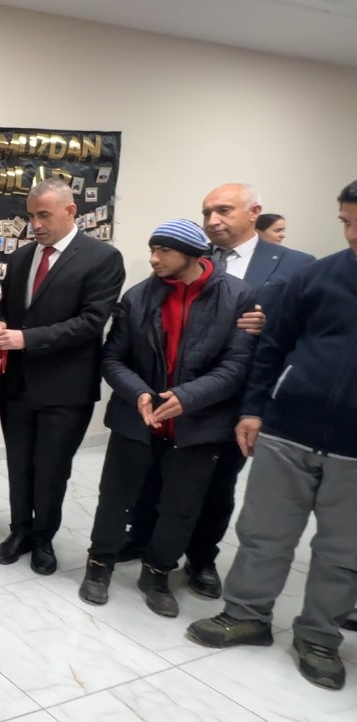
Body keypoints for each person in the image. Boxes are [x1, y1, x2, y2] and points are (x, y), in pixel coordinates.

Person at [187, 180, 357, 690]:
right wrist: (255, 409)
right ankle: (246, 614)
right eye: (345, 222)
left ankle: (320, 637)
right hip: (289, 430)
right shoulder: (320, 276)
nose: (349, 234)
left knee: (344, 550)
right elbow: (274, 344)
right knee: (264, 533)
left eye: (355, 222)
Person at [127, 184, 313, 599]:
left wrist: (274, 328)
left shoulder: (297, 266)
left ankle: (201, 557)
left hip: (243, 397)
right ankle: (148, 544)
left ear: (254, 212)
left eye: (224, 210)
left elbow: (315, 333)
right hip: (180, 394)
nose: (213, 220)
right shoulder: (191, 260)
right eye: (207, 211)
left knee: (218, 484)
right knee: (161, 478)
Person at [78, 220, 254, 617]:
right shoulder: (138, 298)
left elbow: (237, 364)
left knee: (181, 506)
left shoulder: (237, 297)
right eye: (152, 249)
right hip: (135, 420)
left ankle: (157, 572)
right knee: (115, 497)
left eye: (165, 252)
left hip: (199, 426)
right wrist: (139, 391)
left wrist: (188, 397)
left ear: (193, 255)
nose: (154, 259)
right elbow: (112, 358)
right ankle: (99, 564)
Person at [0, 178, 125, 575]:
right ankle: (19, 530)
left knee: (52, 469)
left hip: (65, 388)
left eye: (43, 215)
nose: (35, 224)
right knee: (19, 465)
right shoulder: (20, 258)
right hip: (18, 386)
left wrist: (25, 339)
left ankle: (44, 537)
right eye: (31, 215)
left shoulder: (101, 258)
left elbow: (90, 323)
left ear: (71, 212)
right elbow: (8, 310)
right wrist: (0, 326)